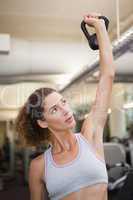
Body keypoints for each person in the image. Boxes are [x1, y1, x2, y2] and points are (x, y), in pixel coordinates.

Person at [15, 13, 115, 200]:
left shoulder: (90, 136)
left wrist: (100, 28)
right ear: (43, 122)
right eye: (54, 109)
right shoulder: (39, 166)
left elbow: (107, 77)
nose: (65, 110)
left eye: (63, 102)